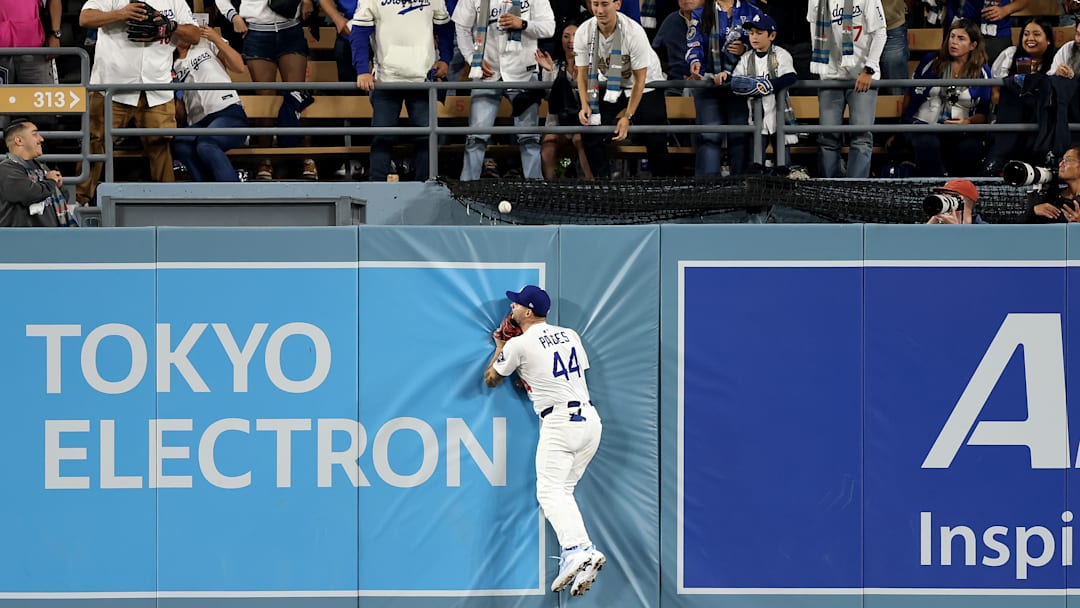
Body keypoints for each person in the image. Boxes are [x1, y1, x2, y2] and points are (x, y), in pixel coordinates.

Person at [483, 285, 605, 598]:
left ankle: (576, 550)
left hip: (560, 423)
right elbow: (557, 374)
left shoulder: (518, 344)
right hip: (590, 422)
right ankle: (583, 551)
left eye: (516, 305)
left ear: (528, 311)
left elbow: (491, 379)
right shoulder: (570, 335)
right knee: (562, 491)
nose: (511, 308)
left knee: (549, 491)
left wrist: (501, 346)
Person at [77, 0, 201, 206]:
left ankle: (167, 204)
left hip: (157, 90)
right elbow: (85, 18)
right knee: (95, 144)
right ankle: (79, 202)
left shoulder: (175, 1)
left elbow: (195, 35)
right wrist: (121, 14)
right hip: (112, 88)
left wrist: (171, 25)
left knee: (161, 148)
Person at [350, 0, 454, 182]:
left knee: (425, 137)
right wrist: (362, 70)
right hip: (385, 80)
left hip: (422, 80)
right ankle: (377, 187)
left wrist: (445, 58)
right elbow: (359, 31)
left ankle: (426, 186)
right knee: (382, 136)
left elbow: (445, 27)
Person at [453, 0, 556, 181]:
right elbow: (462, 28)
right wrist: (472, 58)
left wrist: (523, 24)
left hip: (523, 73)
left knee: (529, 138)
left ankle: (535, 187)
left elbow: (549, 28)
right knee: (476, 137)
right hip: (487, 73)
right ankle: (467, 187)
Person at [216, 0, 317, 181]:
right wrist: (234, 16)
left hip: (291, 29)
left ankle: (306, 158)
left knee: (298, 96)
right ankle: (265, 160)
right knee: (265, 100)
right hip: (258, 33)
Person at [575, 0, 672, 178]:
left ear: (617, 4)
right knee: (590, 131)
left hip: (646, 84)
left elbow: (640, 79)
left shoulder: (634, 32)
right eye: (595, 4)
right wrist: (585, 104)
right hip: (611, 83)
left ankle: (662, 185)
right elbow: (582, 73)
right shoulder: (584, 31)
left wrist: (628, 116)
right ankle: (604, 184)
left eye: (605, 4)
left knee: (655, 135)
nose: (599, 10)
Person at [807, 0, 887, 178]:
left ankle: (855, 188)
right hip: (831, 77)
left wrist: (869, 68)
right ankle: (830, 187)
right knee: (828, 137)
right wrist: (823, 69)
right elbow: (815, 33)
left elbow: (880, 33)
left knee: (861, 137)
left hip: (862, 76)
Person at [902, 18, 991, 177]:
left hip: (960, 130)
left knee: (971, 147)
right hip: (924, 126)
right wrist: (904, 122)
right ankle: (936, 186)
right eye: (952, 36)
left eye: (961, 38)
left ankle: (957, 187)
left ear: (973, 45)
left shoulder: (982, 71)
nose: (954, 42)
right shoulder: (931, 61)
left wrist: (968, 122)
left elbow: (983, 114)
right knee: (927, 143)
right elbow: (910, 93)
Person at [686, 0, 763, 175]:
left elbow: (765, 45)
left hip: (740, 85)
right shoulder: (700, 13)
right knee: (710, 136)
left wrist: (745, 48)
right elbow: (694, 43)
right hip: (709, 84)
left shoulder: (753, 12)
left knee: (740, 136)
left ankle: (742, 186)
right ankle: (708, 187)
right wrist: (695, 61)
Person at [172, 26, 249, 182]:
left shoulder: (206, 43)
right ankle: (206, 192)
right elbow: (179, 108)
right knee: (181, 143)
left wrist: (216, 39)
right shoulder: (169, 60)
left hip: (228, 112)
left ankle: (233, 194)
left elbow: (239, 67)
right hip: (198, 121)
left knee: (206, 144)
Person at [983, 18, 1057, 174]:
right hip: (1009, 118)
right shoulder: (1011, 54)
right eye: (1026, 34)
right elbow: (995, 95)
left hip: (1040, 120)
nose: (1030, 38)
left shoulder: (1056, 61)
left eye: (1036, 34)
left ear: (1048, 40)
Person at [725, 13, 798, 166]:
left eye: (759, 33)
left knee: (783, 163)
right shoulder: (746, 57)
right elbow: (736, 81)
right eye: (751, 33)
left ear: (772, 35)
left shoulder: (780, 54)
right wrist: (726, 77)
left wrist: (766, 85)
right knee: (755, 162)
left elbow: (790, 76)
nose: (754, 37)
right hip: (756, 118)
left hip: (779, 115)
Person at [536, 20, 595, 179]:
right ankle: (553, 186)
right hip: (558, 124)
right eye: (566, 36)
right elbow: (549, 98)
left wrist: (579, 83)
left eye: (575, 36)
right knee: (548, 147)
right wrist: (549, 73)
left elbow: (593, 99)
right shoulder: (554, 66)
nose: (571, 41)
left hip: (581, 124)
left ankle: (592, 185)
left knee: (581, 142)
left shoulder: (590, 67)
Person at [0, 0, 62, 131]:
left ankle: (44, 142)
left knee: (44, 115)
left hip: (34, 51)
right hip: (2, 52)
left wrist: (55, 34)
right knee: (1, 118)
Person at [0, 120, 69, 227]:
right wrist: (51, 182)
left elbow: (58, 201)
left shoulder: (40, 167)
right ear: (19, 140)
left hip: (47, 235)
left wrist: (58, 187)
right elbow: (30, 194)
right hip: (22, 236)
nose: (41, 139)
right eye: (35, 134)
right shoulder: (6, 169)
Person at [652, 0, 704, 94]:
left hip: (710, 84)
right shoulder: (671, 20)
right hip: (675, 86)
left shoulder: (717, 20)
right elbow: (655, 55)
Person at [1025, 145, 1080, 222]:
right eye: (1062, 160)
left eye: (1068, 160)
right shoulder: (1052, 197)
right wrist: (1033, 211)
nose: (1060, 164)